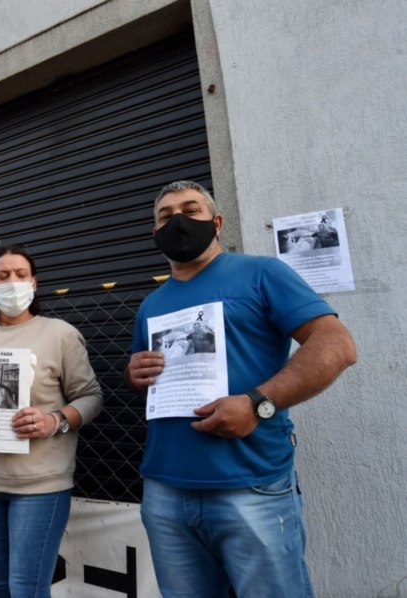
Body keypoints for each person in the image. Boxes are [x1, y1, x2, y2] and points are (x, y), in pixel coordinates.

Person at [124, 180, 357, 597]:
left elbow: (336, 345)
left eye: (190, 209)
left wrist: (258, 404)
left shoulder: (262, 273)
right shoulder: (151, 305)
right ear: (154, 233)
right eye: (165, 215)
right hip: (165, 490)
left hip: (250, 485)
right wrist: (136, 375)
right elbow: (150, 387)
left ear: (216, 222)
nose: (177, 220)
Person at [0, 246, 103, 597]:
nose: (13, 281)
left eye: (20, 274)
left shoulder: (60, 334)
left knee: (27, 588)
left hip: (40, 486)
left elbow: (91, 398)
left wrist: (53, 420)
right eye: (2, 276)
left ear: (34, 283)